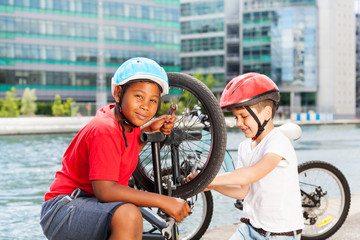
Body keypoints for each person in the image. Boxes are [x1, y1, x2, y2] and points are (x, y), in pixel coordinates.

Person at [40, 57, 191, 240]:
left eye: (153, 100)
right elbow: (106, 191)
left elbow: (120, 153)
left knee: (131, 217)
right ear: (119, 93)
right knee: (128, 215)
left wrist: (148, 129)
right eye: (139, 96)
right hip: (63, 209)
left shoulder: (127, 126)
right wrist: (164, 201)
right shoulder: (105, 129)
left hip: (87, 203)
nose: (145, 105)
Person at [190, 73, 304, 239]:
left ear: (266, 113)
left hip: (279, 234)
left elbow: (252, 174)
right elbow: (243, 191)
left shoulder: (278, 142)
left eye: (244, 116)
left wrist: (209, 178)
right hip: (250, 229)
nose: (238, 123)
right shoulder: (245, 147)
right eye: (236, 117)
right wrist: (213, 186)